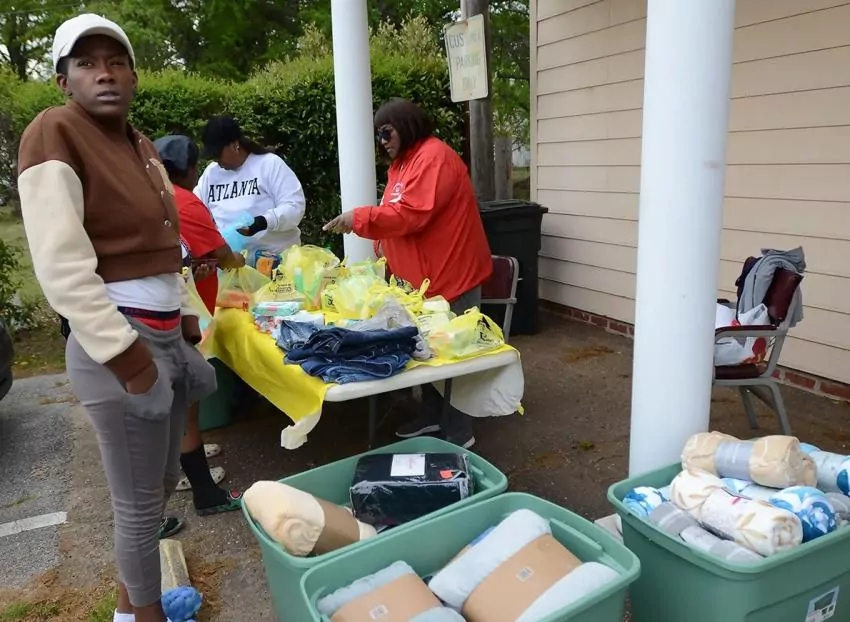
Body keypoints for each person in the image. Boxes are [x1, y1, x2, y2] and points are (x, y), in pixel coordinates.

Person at [17, 14, 216, 622]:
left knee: (159, 486)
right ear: (63, 81)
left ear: (133, 76)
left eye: (116, 62)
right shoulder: (54, 132)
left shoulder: (140, 144)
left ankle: (130, 610)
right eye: (86, 64)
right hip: (120, 341)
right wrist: (130, 362)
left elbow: (166, 247)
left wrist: (187, 318)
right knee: (136, 504)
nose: (104, 74)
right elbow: (61, 265)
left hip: (162, 334)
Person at [324, 98, 493, 449]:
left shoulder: (434, 157)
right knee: (426, 352)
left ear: (406, 125)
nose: (382, 141)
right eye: (378, 135)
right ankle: (431, 415)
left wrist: (359, 218)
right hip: (423, 284)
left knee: (453, 356)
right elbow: (395, 212)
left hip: (452, 277)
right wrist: (381, 243)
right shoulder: (402, 165)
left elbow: (412, 214)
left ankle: (459, 433)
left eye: (386, 132)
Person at [155, 134, 244, 516]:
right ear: (189, 170)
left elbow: (179, 258)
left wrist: (192, 268)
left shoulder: (152, 196)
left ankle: (186, 457)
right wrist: (237, 260)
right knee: (186, 399)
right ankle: (204, 492)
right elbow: (224, 256)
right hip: (173, 318)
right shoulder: (186, 201)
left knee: (177, 399)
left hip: (162, 312)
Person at [194, 116, 306, 268]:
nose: (215, 160)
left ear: (234, 145)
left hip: (275, 264)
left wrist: (264, 221)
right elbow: (196, 209)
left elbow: (294, 206)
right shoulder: (211, 174)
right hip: (234, 266)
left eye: (217, 154)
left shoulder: (269, 164)